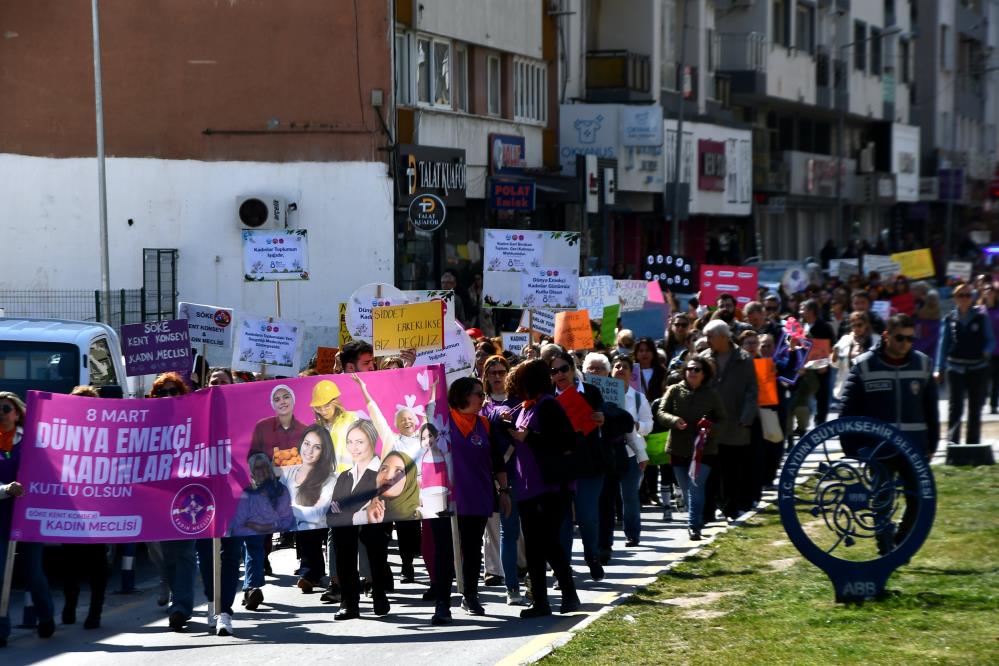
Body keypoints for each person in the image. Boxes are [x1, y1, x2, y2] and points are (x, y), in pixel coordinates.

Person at [840, 313, 939, 553]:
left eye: (910, 339)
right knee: (882, 499)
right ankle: (885, 549)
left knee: (918, 499)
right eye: (900, 338)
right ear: (886, 336)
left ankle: (901, 538)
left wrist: (932, 445)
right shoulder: (864, 365)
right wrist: (853, 448)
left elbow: (931, 410)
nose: (905, 344)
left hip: (913, 446)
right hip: (878, 447)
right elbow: (847, 411)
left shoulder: (923, 364)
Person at [428, 377, 511, 625]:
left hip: (476, 496)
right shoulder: (442, 421)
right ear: (463, 395)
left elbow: (497, 461)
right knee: (444, 551)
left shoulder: (484, 424)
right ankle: (442, 603)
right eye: (478, 393)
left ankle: (470, 595)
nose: (483, 397)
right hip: (444, 499)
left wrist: (504, 491)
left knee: (472, 549)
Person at [505, 360, 581, 618]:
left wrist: (531, 437)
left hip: (551, 486)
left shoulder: (549, 406)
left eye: (519, 379)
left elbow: (565, 441)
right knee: (534, 547)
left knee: (548, 541)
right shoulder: (528, 406)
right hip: (529, 486)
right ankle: (540, 601)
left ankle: (569, 594)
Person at [548, 351, 610, 580]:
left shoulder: (591, 392)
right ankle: (562, 571)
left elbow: (612, 413)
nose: (560, 374)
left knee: (586, 516)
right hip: (561, 468)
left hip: (590, 465)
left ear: (573, 368)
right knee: (562, 521)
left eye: (564, 368)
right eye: (554, 371)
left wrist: (603, 417)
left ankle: (592, 556)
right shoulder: (547, 398)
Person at [1, 391, 56, 645]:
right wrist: (5, 489)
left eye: (6, 409)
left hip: (27, 517)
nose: (2, 414)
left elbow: (47, 472)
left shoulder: (32, 442)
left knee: (33, 573)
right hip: (1, 518)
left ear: (17, 412)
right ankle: (1, 630)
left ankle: (46, 616)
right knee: (1, 575)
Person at [147, 372, 199, 631]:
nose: (167, 396)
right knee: (164, 555)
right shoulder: (146, 423)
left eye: (172, 391)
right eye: (161, 392)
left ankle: (181, 607)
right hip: (158, 497)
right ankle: (168, 584)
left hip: (188, 495)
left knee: (185, 553)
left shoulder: (194, 420)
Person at [325, 419, 392, 620]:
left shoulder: (382, 473)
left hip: (376, 528)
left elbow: (378, 509)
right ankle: (349, 603)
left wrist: (351, 513)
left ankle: (379, 594)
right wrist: (356, 514)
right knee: (344, 556)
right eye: (350, 442)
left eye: (360, 442)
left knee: (376, 556)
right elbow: (333, 510)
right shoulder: (344, 477)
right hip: (344, 529)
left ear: (372, 442)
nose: (354, 447)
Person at [655, 356, 726, 540]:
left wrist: (709, 428)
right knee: (687, 490)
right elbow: (661, 412)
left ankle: (694, 526)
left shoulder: (711, 394)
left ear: (704, 374)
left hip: (704, 451)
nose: (692, 373)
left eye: (697, 370)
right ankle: (697, 517)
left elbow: (723, 420)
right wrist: (674, 420)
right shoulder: (674, 390)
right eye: (690, 369)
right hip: (678, 450)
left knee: (696, 486)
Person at [61, 386, 109, 630]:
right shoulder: (63, 431)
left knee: (97, 566)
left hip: (99, 510)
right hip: (71, 509)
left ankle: (94, 613)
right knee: (69, 564)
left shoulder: (109, 432)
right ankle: (69, 605)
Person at [700, 320, 758, 523]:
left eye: (711, 337)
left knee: (732, 469)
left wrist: (746, 417)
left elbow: (752, 391)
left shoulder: (743, 358)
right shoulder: (704, 358)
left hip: (735, 422)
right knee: (709, 470)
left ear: (724, 337)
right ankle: (708, 511)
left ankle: (731, 508)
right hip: (711, 424)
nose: (707, 341)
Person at [479, 355, 525, 604]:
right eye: (492, 372)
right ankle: (510, 585)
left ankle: (529, 577)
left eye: (501, 371)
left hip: (523, 472)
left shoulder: (519, 402)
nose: (497, 377)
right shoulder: (481, 406)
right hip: (494, 475)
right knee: (503, 529)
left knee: (523, 531)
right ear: (485, 376)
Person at [230, 452, 294, 612]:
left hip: (259, 528)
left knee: (254, 547)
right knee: (241, 551)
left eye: (265, 467)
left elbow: (286, 520)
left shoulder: (279, 490)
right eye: (257, 468)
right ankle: (248, 588)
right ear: (251, 471)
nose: (262, 471)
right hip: (238, 525)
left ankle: (251, 587)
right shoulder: (242, 489)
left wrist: (264, 526)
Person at [277, 425, 337, 592]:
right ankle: (310, 574)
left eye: (317, 447)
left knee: (314, 531)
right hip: (303, 523)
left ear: (324, 452)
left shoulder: (329, 478)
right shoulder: (288, 472)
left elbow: (318, 513)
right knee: (306, 534)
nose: (309, 450)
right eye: (307, 444)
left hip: (324, 519)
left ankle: (322, 575)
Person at [936, 282, 995, 444]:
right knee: (955, 407)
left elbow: (990, 340)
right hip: (955, 367)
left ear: (973, 297)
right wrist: (938, 368)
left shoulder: (981, 316)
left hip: (978, 367)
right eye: (961, 295)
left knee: (975, 408)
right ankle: (952, 443)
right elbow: (943, 344)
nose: (964, 298)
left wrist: (986, 351)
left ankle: (973, 443)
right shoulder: (949, 319)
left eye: (968, 295)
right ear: (955, 298)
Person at [610, 356, 652, 546]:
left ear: (630, 373)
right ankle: (605, 536)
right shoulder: (603, 395)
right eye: (616, 366)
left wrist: (636, 425)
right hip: (608, 454)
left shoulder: (637, 397)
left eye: (624, 367)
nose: (620, 369)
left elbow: (649, 425)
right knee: (607, 497)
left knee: (629, 496)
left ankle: (632, 533)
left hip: (631, 454)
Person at [250, 384, 308, 459]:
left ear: (293, 400)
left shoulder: (305, 430)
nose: (282, 402)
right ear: (273, 404)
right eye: (277, 400)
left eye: (286, 397)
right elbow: (252, 457)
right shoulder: (262, 427)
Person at [366, 451, 421, 523]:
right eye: (384, 469)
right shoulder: (360, 517)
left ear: (410, 480)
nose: (388, 477)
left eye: (399, 471)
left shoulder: (425, 517)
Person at [978, 282, 999, 414]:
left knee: (996, 379)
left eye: (991, 290)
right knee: (982, 379)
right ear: (983, 293)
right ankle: (979, 403)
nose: (989, 292)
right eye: (986, 290)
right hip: (984, 350)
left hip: (998, 350)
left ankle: (993, 404)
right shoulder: (979, 310)